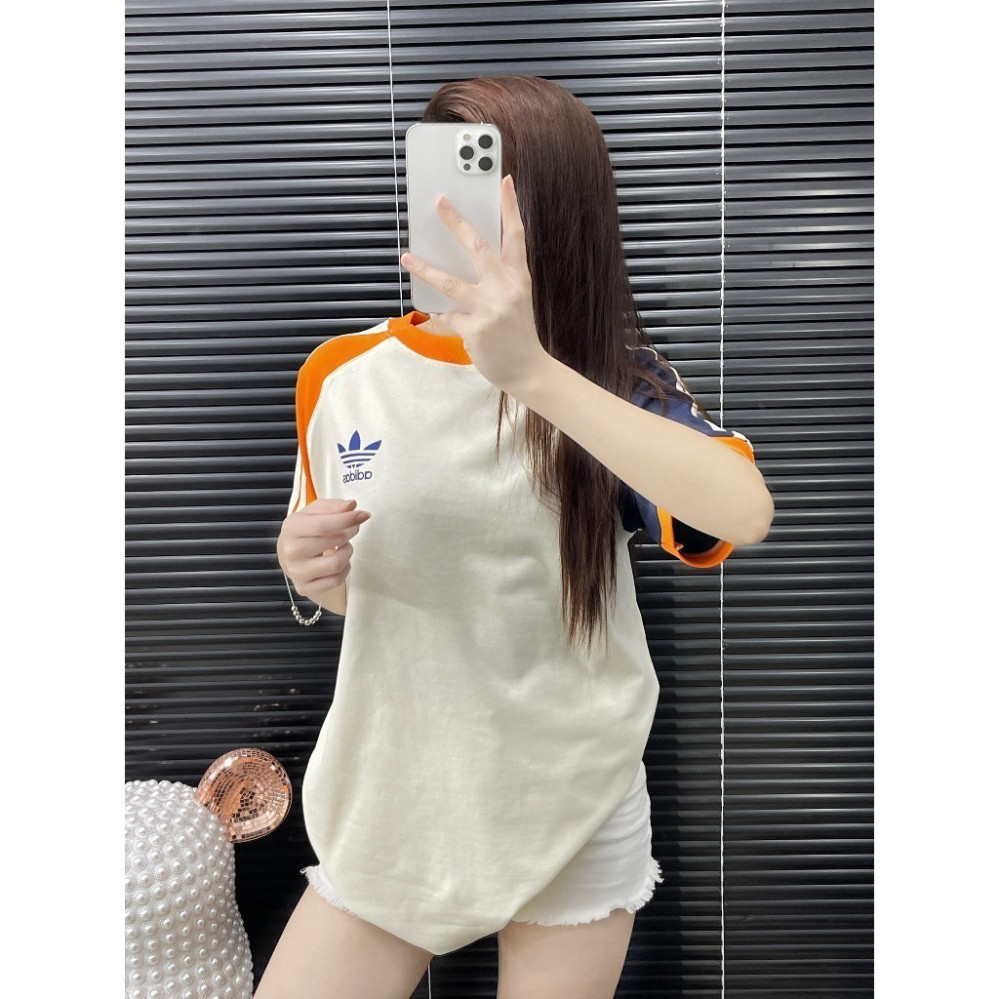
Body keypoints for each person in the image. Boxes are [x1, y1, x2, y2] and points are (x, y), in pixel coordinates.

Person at [257, 76, 774, 999]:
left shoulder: (610, 380)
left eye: (477, 183)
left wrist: (530, 370)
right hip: (395, 788)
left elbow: (741, 512)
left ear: (550, 211)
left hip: (568, 794)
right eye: (432, 176)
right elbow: (360, 587)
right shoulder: (342, 374)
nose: (445, 210)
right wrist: (310, 568)